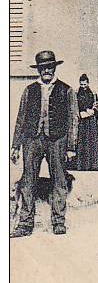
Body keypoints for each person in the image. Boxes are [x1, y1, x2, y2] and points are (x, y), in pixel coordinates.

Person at [10, 50, 79, 237]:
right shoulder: (29, 90)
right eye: (43, 68)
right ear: (38, 70)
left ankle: (58, 222)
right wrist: (15, 145)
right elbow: (21, 118)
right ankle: (25, 223)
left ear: (54, 67)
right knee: (28, 181)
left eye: (50, 67)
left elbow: (74, 119)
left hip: (57, 141)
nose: (46, 70)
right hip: (32, 140)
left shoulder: (66, 90)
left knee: (59, 180)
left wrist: (71, 146)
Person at [76, 73, 98, 171]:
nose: (83, 86)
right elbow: (74, 105)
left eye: (85, 84)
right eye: (81, 84)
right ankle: (81, 165)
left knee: (91, 141)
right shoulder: (76, 93)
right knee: (82, 141)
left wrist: (93, 111)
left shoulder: (93, 93)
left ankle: (93, 165)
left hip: (91, 120)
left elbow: (96, 105)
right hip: (81, 119)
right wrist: (81, 112)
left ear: (88, 83)